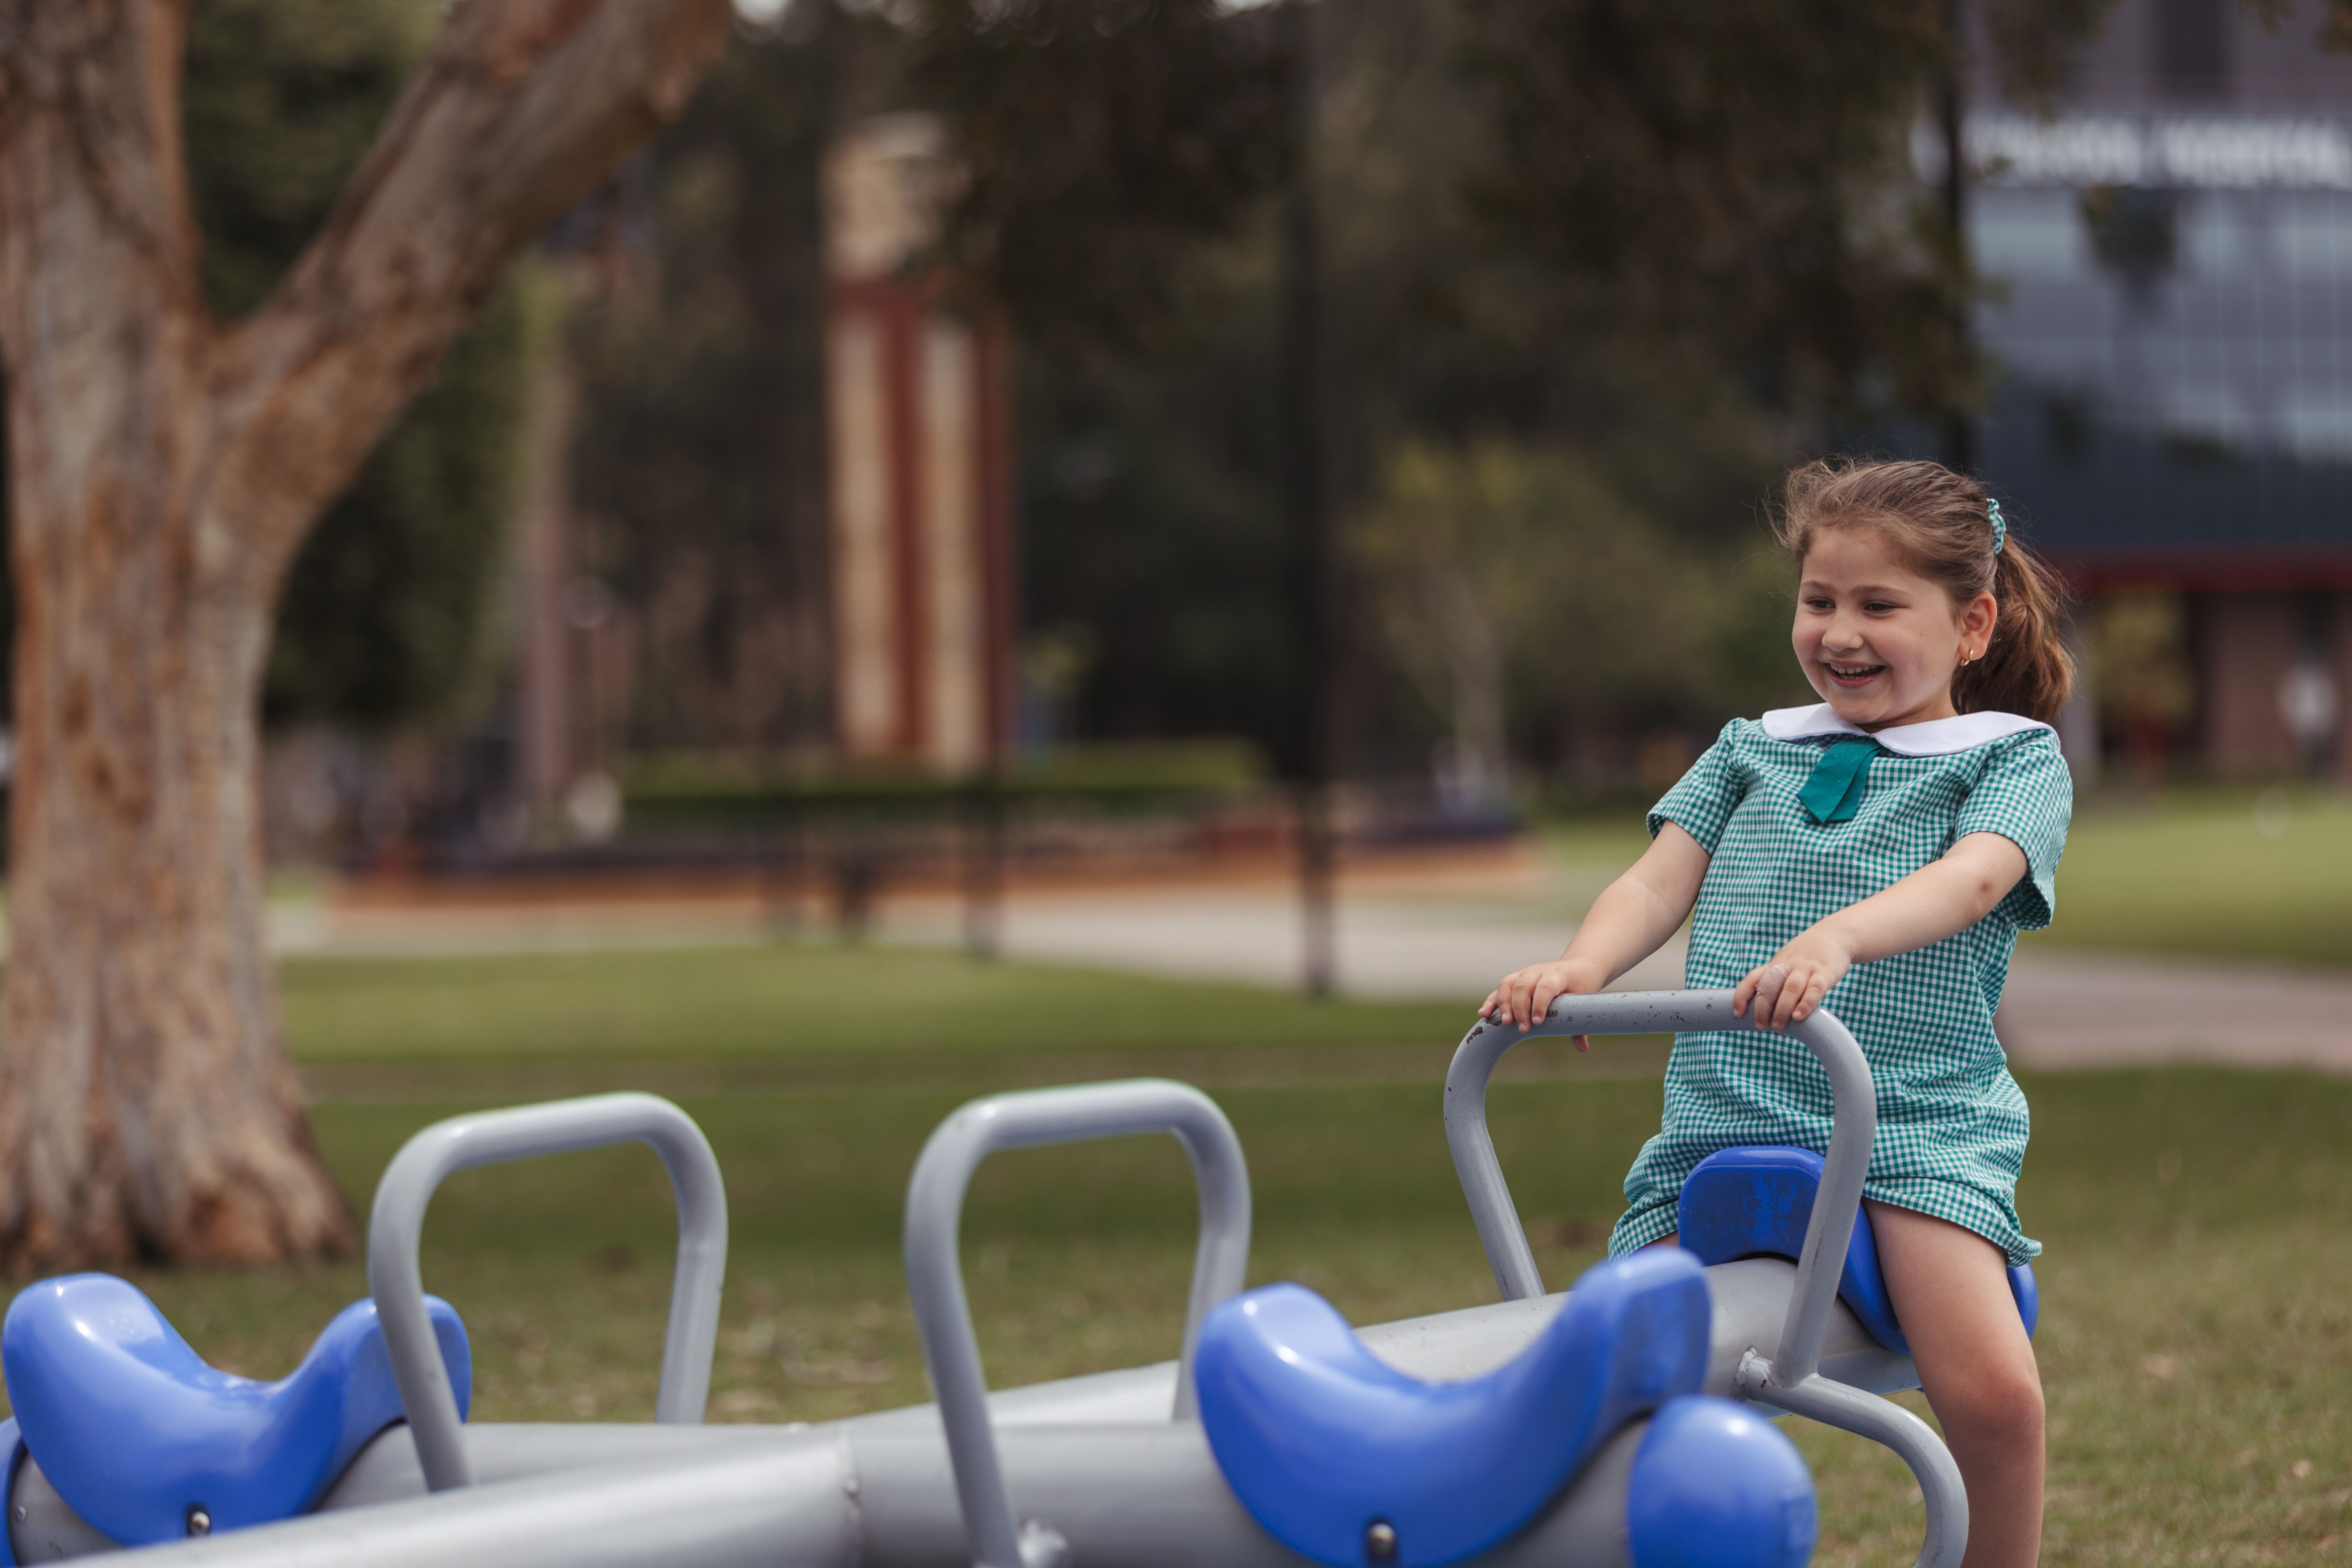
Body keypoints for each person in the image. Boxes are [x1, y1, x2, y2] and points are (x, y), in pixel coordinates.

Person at [1482, 458, 2073, 1568]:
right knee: (1607, 1373)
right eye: (1820, 601)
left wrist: (1843, 933)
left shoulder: (2010, 760)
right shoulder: (1753, 748)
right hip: (1718, 1118)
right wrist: (1580, 966)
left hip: (1909, 1128)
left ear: (1973, 623)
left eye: (1879, 605)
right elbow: (1659, 880)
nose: (1840, 631)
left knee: (1993, 1394)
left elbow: (1978, 880)